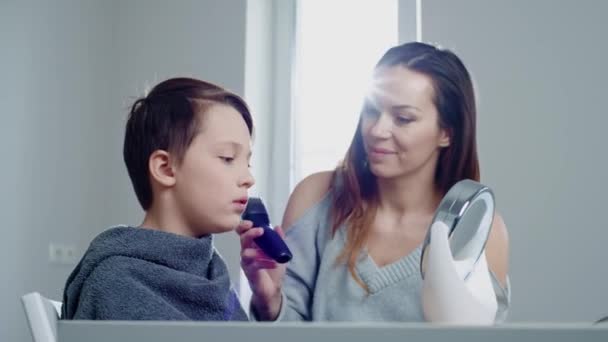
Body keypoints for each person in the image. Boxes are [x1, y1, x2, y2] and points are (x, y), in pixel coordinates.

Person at [238, 42, 510, 322]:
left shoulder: (480, 231)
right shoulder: (317, 197)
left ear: (447, 133)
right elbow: (287, 333)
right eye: (371, 110)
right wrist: (270, 301)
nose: (377, 130)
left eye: (403, 118)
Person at [62, 77, 255, 320]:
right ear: (165, 168)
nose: (248, 178)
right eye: (227, 158)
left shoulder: (216, 281)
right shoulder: (117, 283)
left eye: (248, 163)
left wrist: (270, 301)